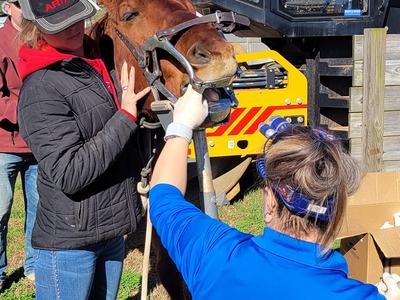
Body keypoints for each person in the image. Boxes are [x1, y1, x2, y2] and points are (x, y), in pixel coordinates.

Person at [149, 86, 400, 299]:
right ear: (337, 212)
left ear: (270, 200)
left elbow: (163, 198)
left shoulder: (214, 253)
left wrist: (181, 124)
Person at [16, 0, 151, 298]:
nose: (73, 28)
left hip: (111, 230)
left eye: (76, 18)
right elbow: (70, 173)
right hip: (70, 242)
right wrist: (126, 117)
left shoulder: (95, 64)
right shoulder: (41, 89)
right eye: (60, 25)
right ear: (37, 28)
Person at [0, 0, 38, 288]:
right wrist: (30, 110)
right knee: (0, 209)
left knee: (39, 208)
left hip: (38, 143)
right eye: (23, 3)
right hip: (4, 144)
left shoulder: (41, 38)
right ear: (8, 7)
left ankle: (34, 265)